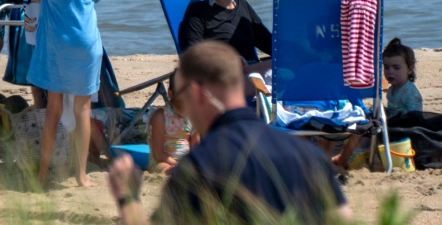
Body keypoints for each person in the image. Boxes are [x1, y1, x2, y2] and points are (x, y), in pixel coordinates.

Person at [108, 40, 350, 224]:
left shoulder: (198, 168)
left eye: (182, 96)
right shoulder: (308, 155)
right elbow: (343, 218)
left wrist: (128, 199)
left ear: (197, 93)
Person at [24, 0, 105, 188]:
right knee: (82, 109)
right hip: (86, 43)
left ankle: (43, 174)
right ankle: (81, 176)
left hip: (56, 44)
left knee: (53, 109)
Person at [178, 0, 272, 83]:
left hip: (251, 74)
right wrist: (227, 61)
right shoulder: (198, 12)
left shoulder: (244, 6)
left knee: (289, 65)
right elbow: (191, 53)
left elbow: (270, 44)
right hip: (221, 80)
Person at [334, 36, 422, 167]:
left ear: (409, 69)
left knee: (366, 135)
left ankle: (351, 157)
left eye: (396, 68)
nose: (390, 71)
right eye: (386, 67)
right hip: (392, 124)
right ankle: (353, 152)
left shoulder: (410, 93)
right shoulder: (393, 89)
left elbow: (417, 120)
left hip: (403, 130)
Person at [147, 69, 196, 175]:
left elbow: (196, 147)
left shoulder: (193, 117)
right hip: (163, 160)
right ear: (170, 93)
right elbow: (158, 154)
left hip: (185, 162)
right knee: (164, 169)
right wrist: (176, 164)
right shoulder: (161, 116)